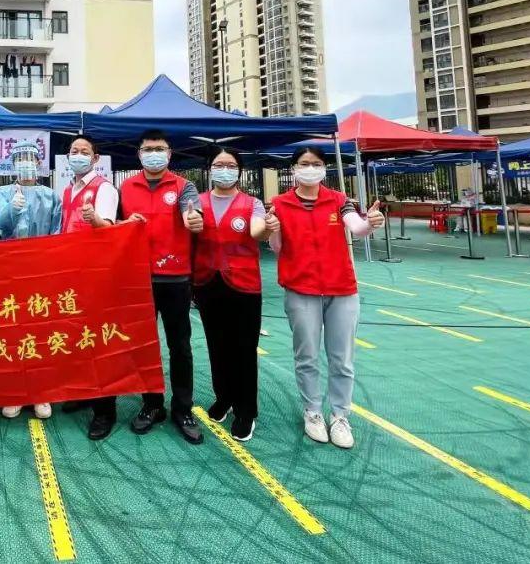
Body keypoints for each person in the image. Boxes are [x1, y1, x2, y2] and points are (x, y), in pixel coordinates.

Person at [268, 146, 384, 450]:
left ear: (324, 168)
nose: (310, 168)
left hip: (341, 289)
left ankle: (340, 416)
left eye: (316, 163)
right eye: (304, 163)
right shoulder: (280, 204)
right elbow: (277, 247)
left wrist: (370, 222)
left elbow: (356, 227)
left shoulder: (339, 200)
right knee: (306, 356)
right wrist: (272, 230)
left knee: (342, 359)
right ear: (294, 168)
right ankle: (313, 412)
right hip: (300, 289)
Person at [117, 130, 205, 445]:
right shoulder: (126, 187)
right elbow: (115, 227)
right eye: (148, 149)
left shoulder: (183, 186)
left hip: (176, 278)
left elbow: (192, 211)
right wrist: (124, 225)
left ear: (169, 154)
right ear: (139, 154)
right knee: (145, 346)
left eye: (159, 148)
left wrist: (193, 218)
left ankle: (183, 409)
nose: (153, 153)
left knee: (179, 346)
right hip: (139, 279)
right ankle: (152, 404)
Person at [192, 147, 268, 442]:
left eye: (230, 165)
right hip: (207, 282)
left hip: (244, 285)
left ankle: (246, 410)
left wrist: (266, 229)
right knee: (217, 345)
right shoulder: (197, 201)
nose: (224, 169)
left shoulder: (253, 204)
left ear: (239, 170)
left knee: (244, 349)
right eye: (218, 164)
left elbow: (258, 230)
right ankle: (223, 397)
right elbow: (188, 229)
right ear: (210, 169)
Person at [0, 140, 62, 420]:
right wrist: (11, 209)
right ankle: (14, 391)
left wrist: (48, 264)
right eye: (19, 159)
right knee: (12, 332)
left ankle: (41, 391)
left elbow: (57, 234)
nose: (25, 163)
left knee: (41, 332)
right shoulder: (2, 193)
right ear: (12, 165)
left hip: (42, 271)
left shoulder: (51, 196)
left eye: (30, 158)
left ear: (39, 163)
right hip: (9, 271)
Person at [57, 134, 122, 439]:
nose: (79, 155)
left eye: (85, 151)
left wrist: (94, 218)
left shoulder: (104, 189)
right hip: (72, 273)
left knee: (99, 340)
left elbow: (108, 227)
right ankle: (85, 393)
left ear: (95, 159)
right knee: (79, 336)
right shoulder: (68, 189)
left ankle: (105, 410)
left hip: (96, 274)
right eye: (74, 151)